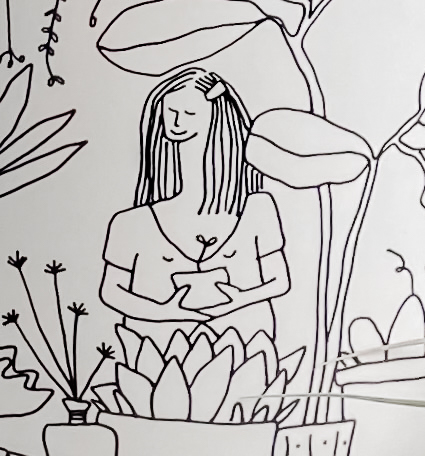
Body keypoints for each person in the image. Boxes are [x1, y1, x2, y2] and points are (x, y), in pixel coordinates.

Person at [97, 72, 289, 356]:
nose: (176, 122)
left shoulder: (258, 208)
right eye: (170, 112)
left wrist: (238, 300)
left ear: (217, 119)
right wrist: (164, 312)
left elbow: (279, 280)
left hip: (246, 348)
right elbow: (111, 292)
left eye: (188, 113)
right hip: (156, 351)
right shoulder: (130, 223)